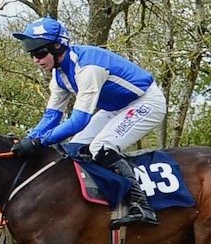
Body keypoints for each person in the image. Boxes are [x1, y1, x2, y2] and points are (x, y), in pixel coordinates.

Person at [10, 16, 166, 226]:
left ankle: (141, 205)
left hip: (146, 101)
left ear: (58, 47)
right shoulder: (59, 76)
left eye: (40, 52)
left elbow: (79, 121)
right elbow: (52, 117)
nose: (36, 59)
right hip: (114, 108)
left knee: (102, 146)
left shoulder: (87, 68)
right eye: (31, 54)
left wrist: (40, 142)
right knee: (73, 148)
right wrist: (29, 139)